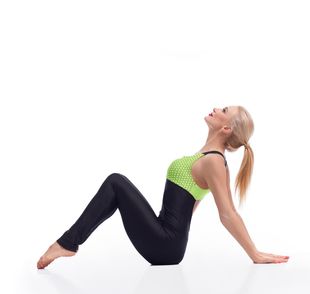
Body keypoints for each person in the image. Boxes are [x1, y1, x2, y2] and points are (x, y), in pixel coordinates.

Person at [37, 105, 289, 269]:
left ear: (226, 128)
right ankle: (68, 243)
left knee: (116, 182)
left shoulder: (214, 161)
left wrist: (254, 254)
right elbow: (192, 203)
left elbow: (228, 214)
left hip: (165, 243)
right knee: (117, 184)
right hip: (166, 240)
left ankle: (68, 243)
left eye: (223, 110)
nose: (216, 108)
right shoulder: (206, 157)